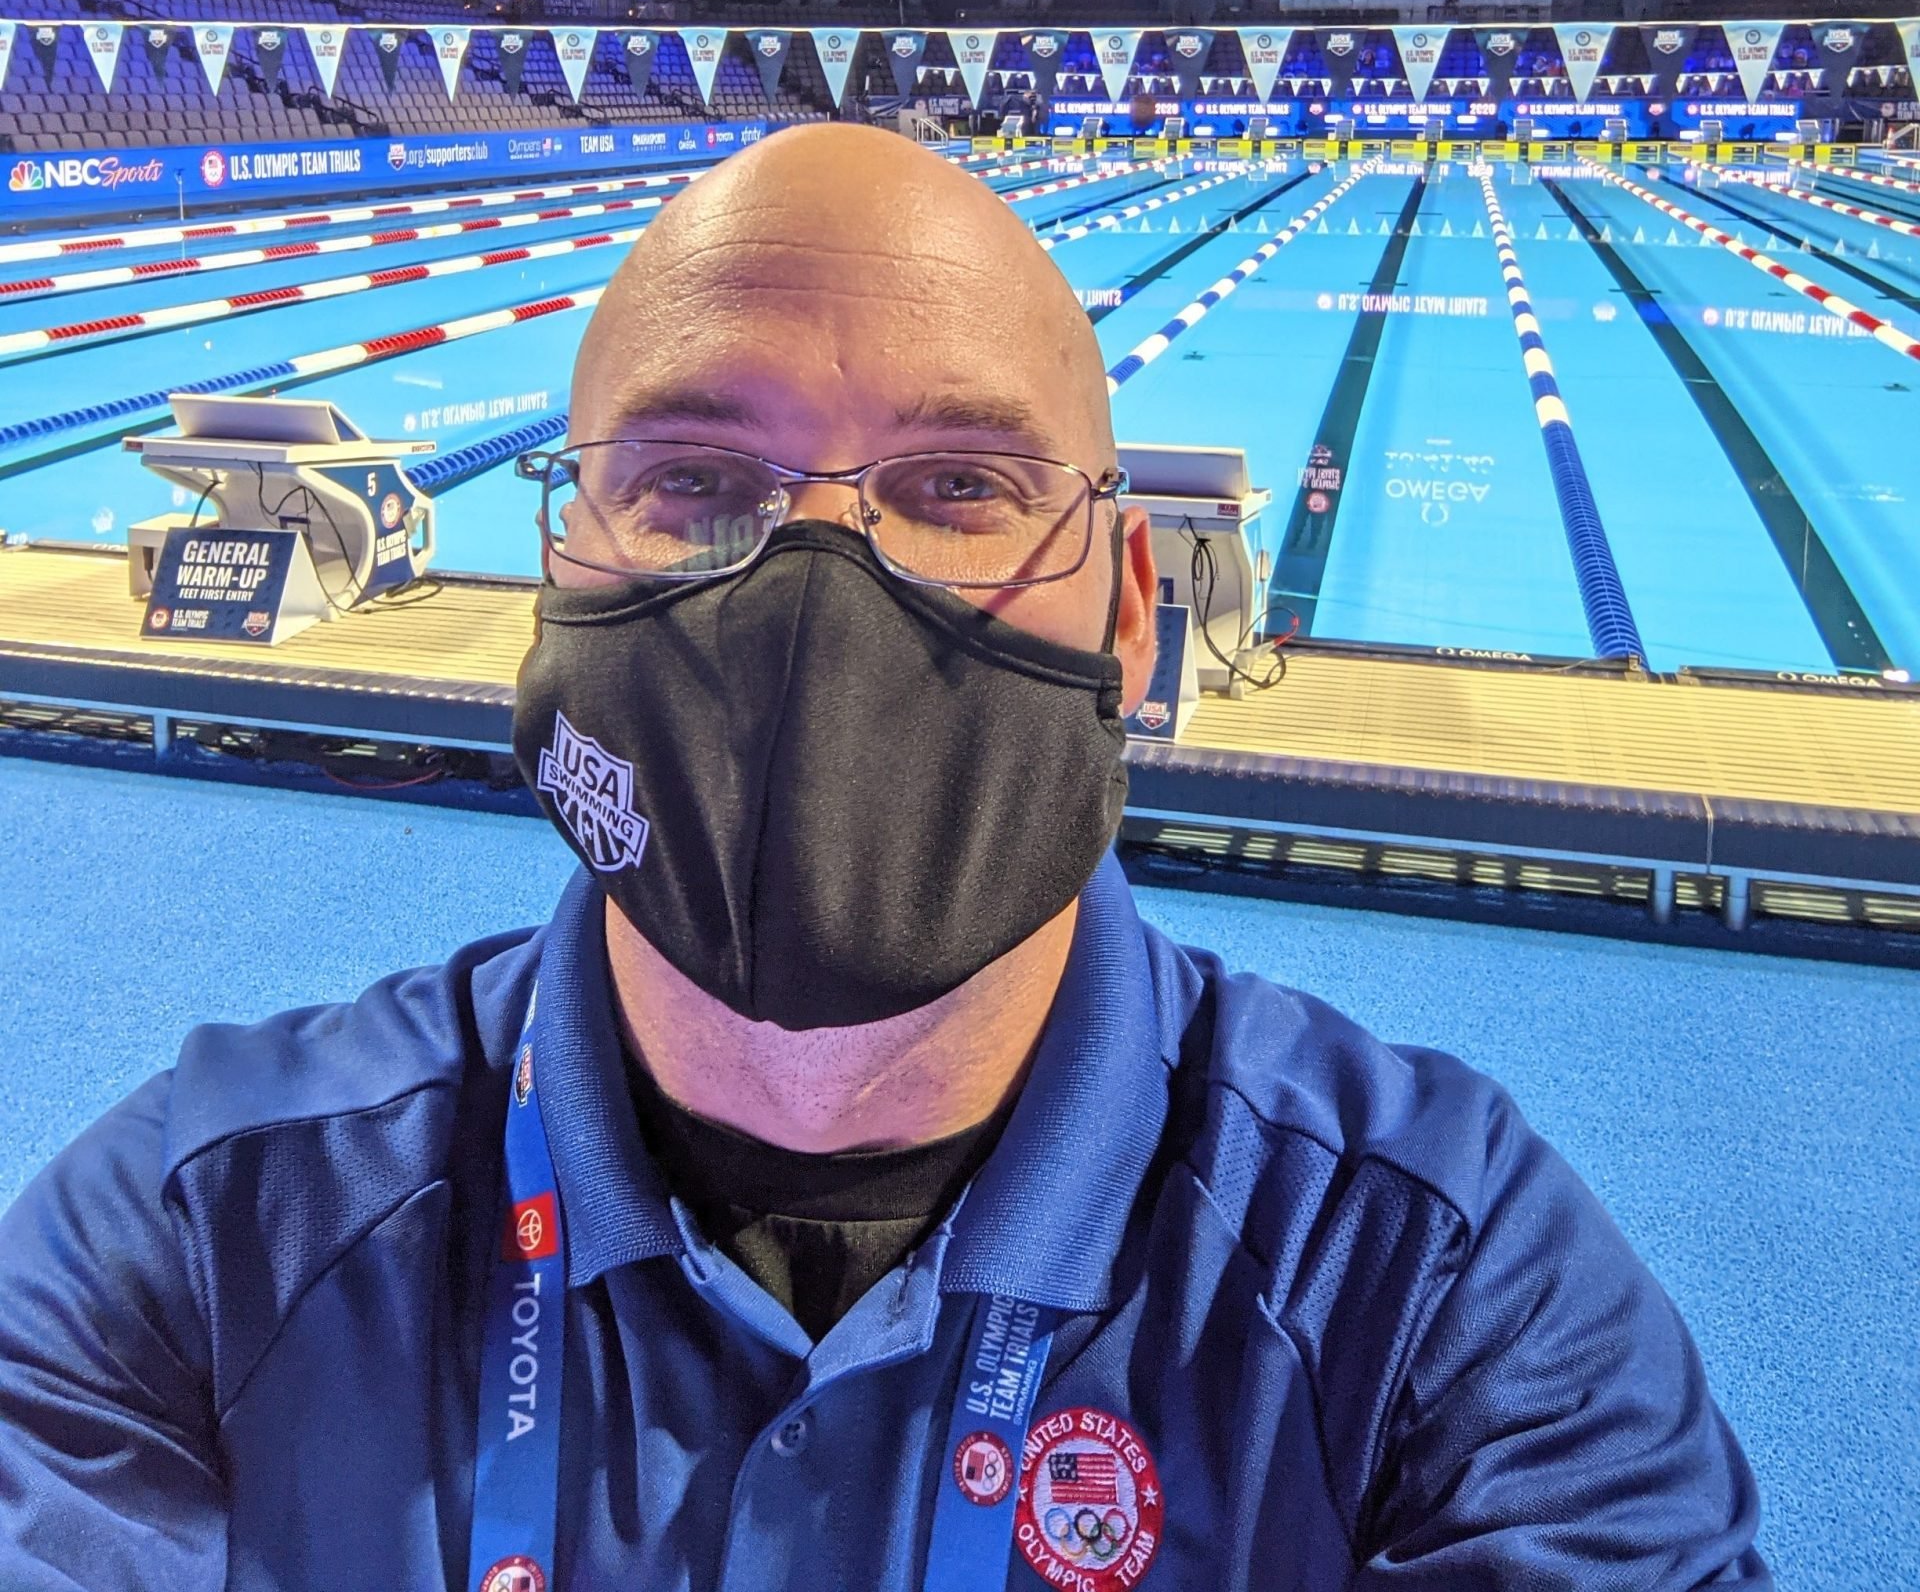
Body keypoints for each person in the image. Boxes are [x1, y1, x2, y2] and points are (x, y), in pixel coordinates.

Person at [0, 125, 1769, 1589]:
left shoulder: (1432, 1294)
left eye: (960, 488)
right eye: (693, 481)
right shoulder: (203, 1240)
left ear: (1132, 612)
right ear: (559, 571)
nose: (819, 593)